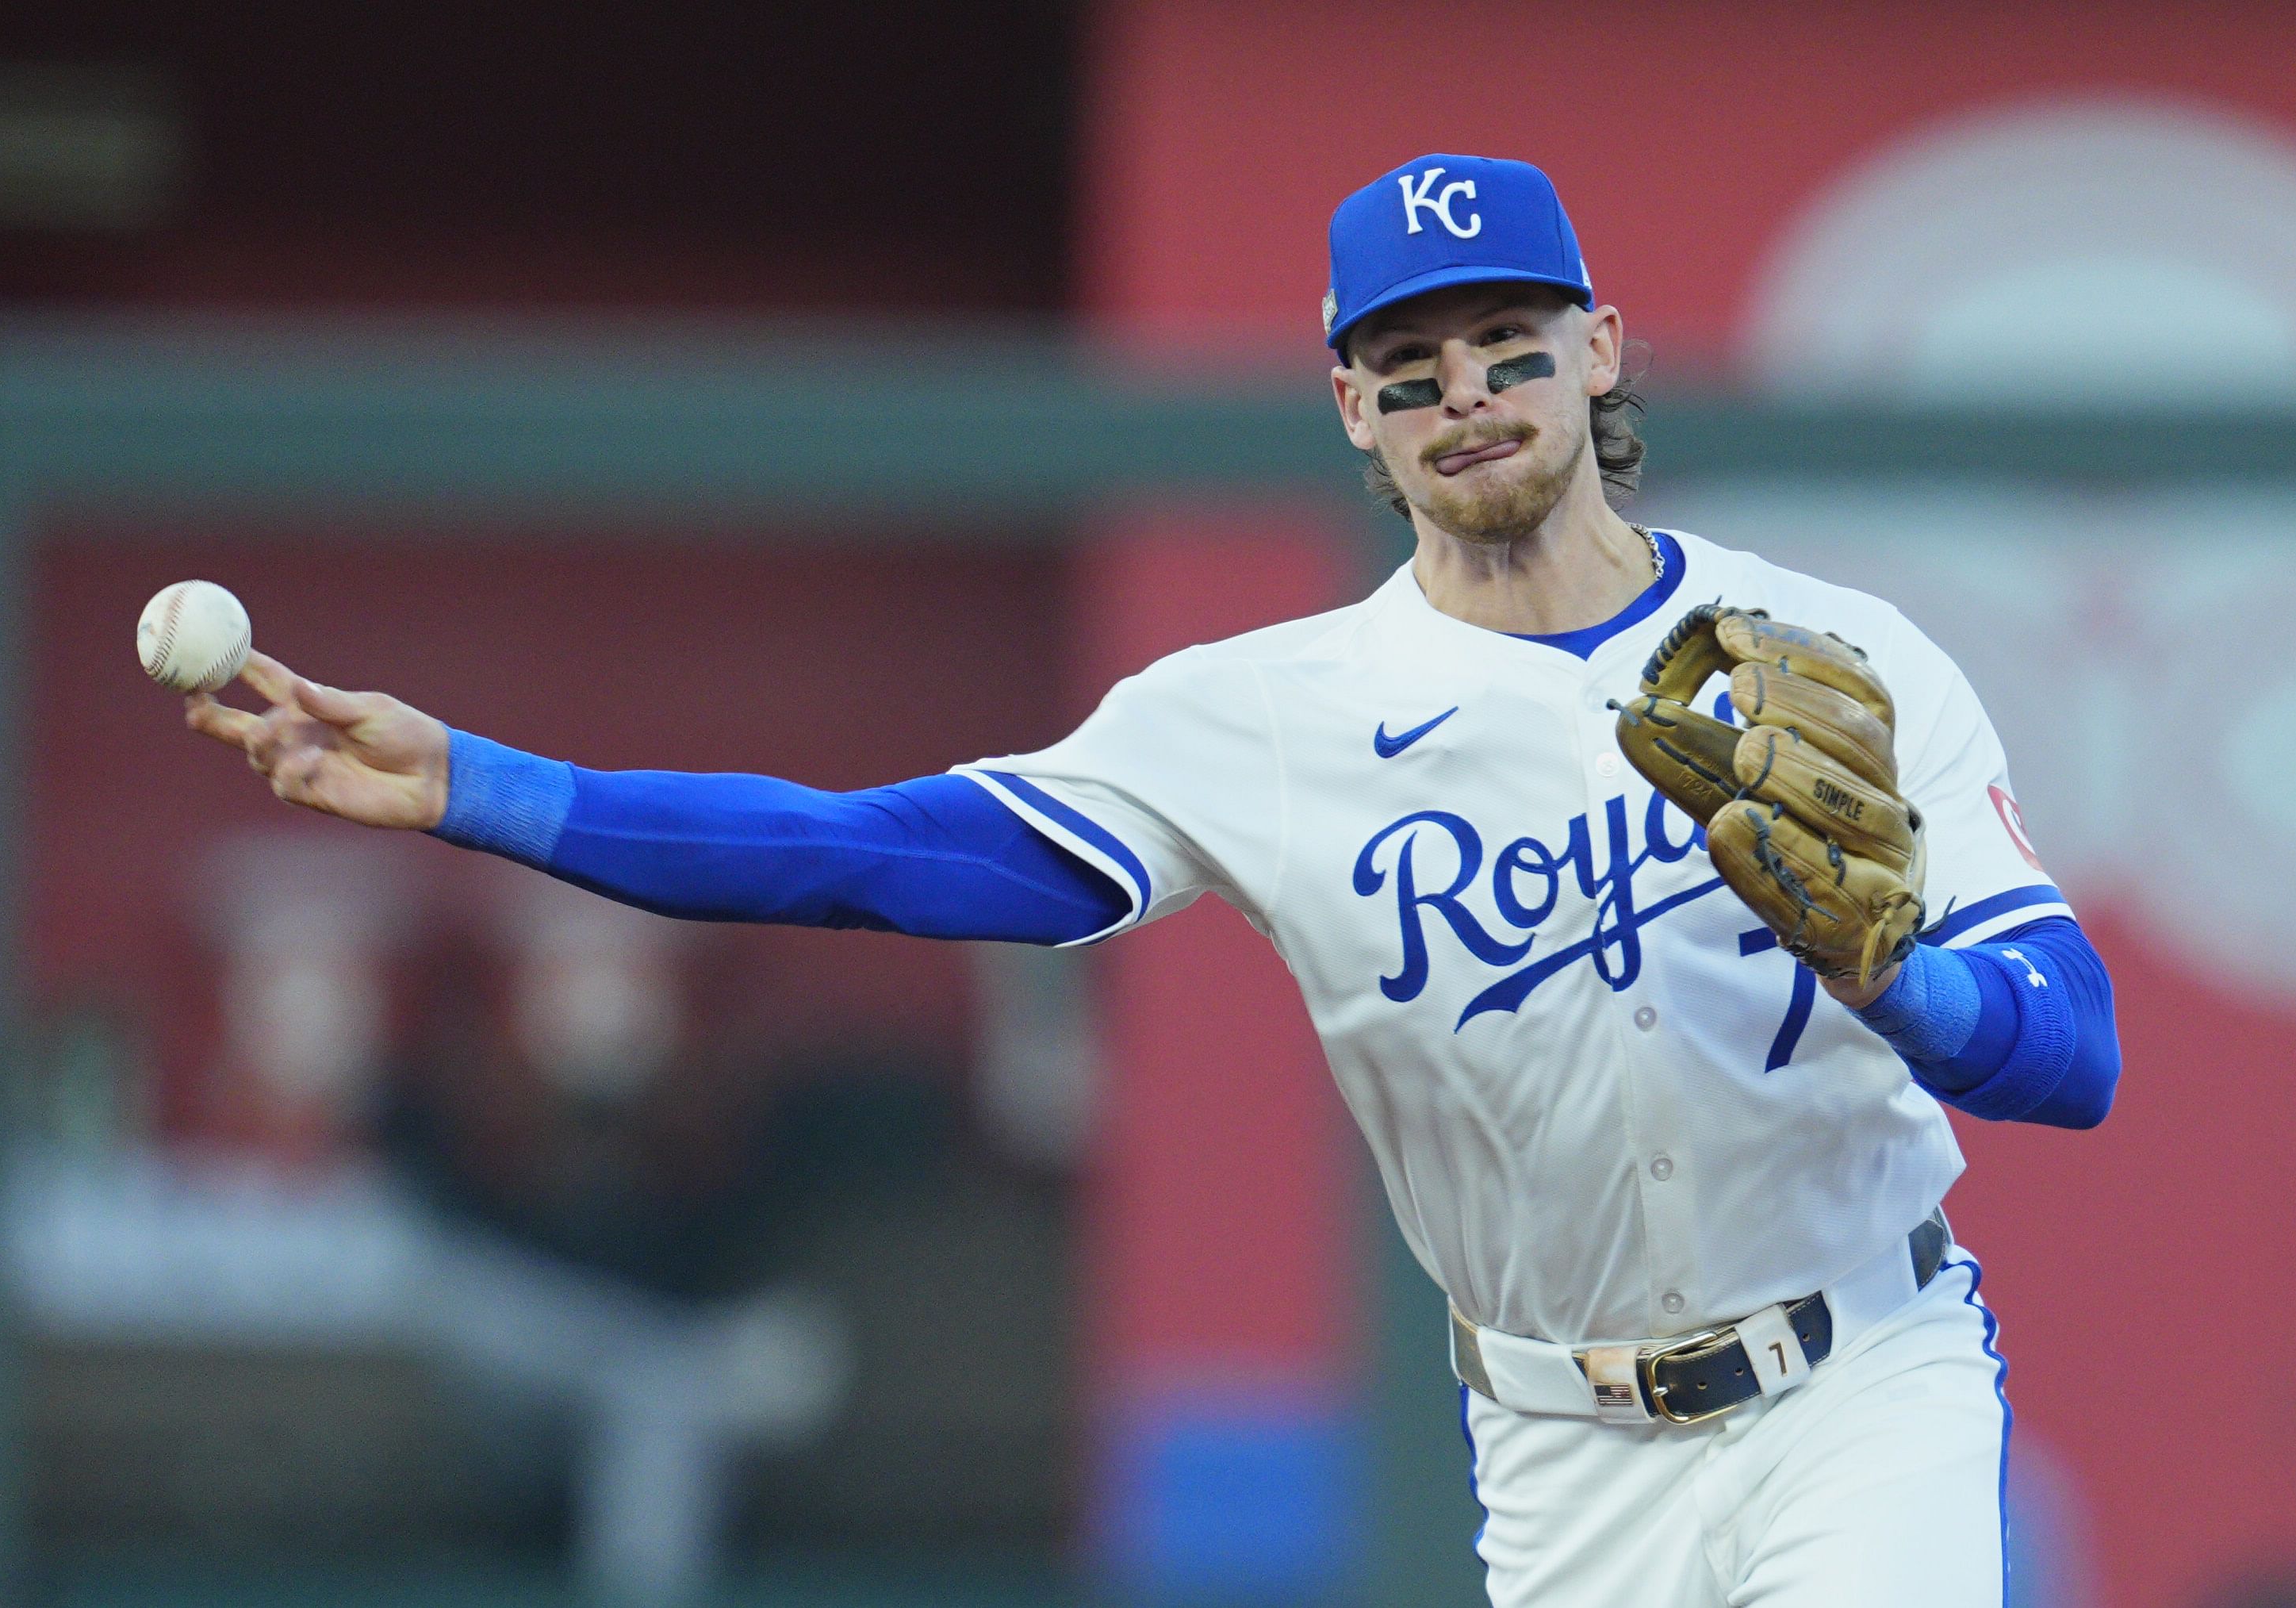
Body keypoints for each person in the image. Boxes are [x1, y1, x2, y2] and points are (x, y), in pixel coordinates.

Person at [182, 154, 2119, 1606]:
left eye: (1508, 346)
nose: (1469, 396)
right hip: (1559, 1444)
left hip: (1862, 1370)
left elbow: (2071, 1053)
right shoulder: (1270, 714)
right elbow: (884, 862)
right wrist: (495, 790)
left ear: (1597, 351)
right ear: (1351, 406)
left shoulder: (1834, 652)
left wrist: (1900, 984)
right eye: (1411, 363)